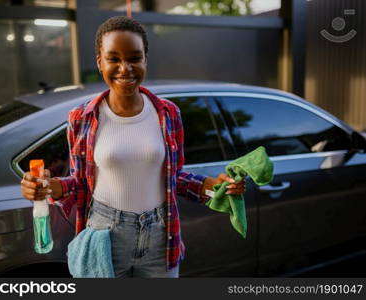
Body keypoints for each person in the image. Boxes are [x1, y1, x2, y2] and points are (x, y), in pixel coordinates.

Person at [21, 16, 245, 278]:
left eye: (134, 58)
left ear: (145, 61)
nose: (125, 68)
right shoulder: (81, 118)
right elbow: (80, 183)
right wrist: (47, 187)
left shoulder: (168, 114)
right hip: (105, 236)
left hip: (161, 236)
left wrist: (214, 186)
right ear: (100, 62)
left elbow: (173, 177)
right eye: (114, 59)